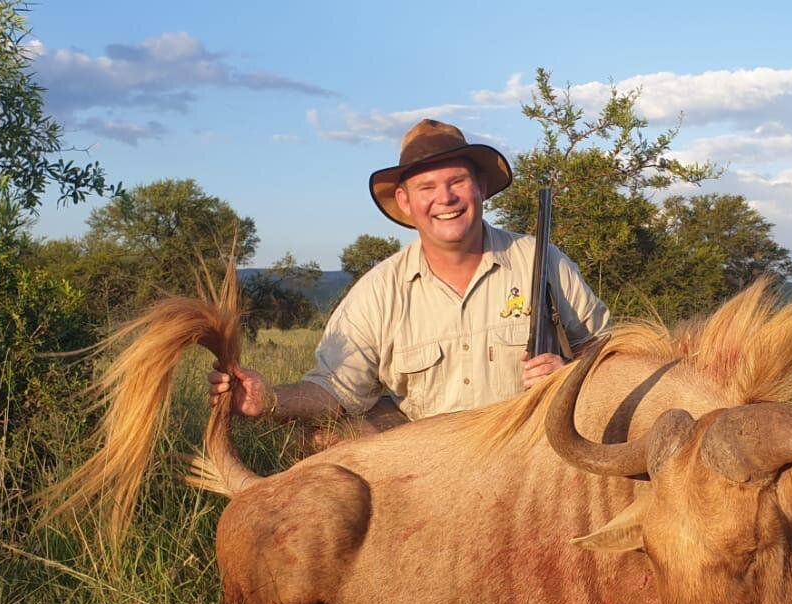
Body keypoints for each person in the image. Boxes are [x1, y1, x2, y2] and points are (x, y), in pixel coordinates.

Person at [208, 119, 609, 428]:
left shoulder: (540, 259)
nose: (445, 198)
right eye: (427, 187)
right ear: (405, 201)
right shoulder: (379, 291)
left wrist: (569, 374)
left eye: (457, 181)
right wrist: (269, 399)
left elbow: (607, 352)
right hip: (433, 474)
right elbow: (333, 392)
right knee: (323, 439)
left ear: (481, 188)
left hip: (533, 458)